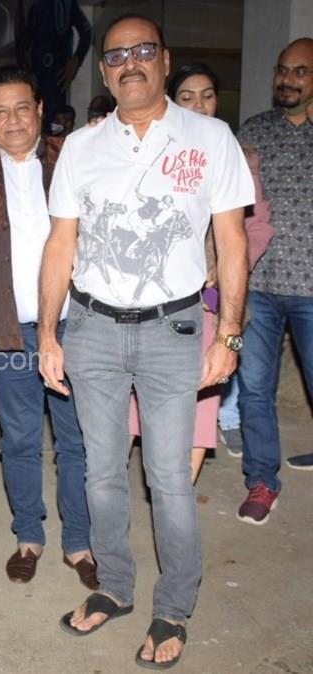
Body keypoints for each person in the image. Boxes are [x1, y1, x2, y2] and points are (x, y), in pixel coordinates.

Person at [38, 14, 253, 669]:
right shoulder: (80, 148)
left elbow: (233, 242)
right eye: (115, 55)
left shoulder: (211, 138)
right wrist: (47, 332)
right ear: (104, 73)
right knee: (100, 473)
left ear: (163, 60)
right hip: (92, 327)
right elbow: (61, 244)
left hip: (174, 328)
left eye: (142, 51)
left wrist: (230, 336)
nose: (129, 62)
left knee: (169, 478)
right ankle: (116, 587)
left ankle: (174, 607)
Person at [0, 65, 96, 589]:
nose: (13, 121)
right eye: (0, 111)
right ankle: (28, 535)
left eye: (22, 108)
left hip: (76, 327)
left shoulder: (73, 159)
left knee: (78, 440)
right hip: (6, 332)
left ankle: (79, 541)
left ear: (40, 111)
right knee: (20, 440)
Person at [127, 62, 274, 484]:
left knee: (200, 398)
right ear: (172, 101)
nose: (199, 105)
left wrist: (227, 267)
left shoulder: (236, 155)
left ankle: (178, 499)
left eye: (207, 96)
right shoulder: (150, 150)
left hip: (209, 302)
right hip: (152, 296)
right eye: (187, 97)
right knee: (135, 400)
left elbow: (257, 226)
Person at [235, 38, 313, 517]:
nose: (288, 79)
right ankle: (262, 480)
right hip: (258, 285)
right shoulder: (254, 132)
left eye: (300, 71)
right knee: (254, 389)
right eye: (283, 70)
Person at [20, 0, 92, 128]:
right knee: (35, 117)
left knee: (56, 120)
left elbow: (86, 31)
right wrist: (24, 71)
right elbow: (24, 41)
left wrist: (76, 61)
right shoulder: (31, 5)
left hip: (58, 74)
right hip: (36, 74)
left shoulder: (67, 4)